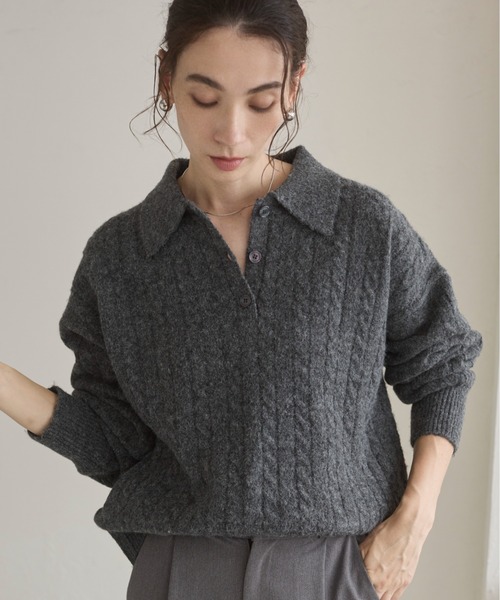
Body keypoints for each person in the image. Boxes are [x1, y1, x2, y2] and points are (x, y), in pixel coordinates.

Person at [0, 1, 483, 599]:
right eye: (205, 98)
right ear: (166, 78)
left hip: (338, 567)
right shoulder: (120, 257)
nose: (232, 132)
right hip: (182, 571)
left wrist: (416, 518)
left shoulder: (361, 226)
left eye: (259, 102)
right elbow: (115, 443)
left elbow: (441, 363)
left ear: (294, 86)